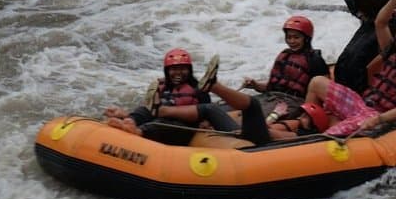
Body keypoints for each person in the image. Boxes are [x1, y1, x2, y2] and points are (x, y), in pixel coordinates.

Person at [303, 0, 396, 137]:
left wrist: (378, 119)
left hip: (375, 114)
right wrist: (393, 1)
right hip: (360, 103)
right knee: (317, 82)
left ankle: (313, 142)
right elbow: (380, 23)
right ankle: (305, 121)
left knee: (331, 135)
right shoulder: (391, 52)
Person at [104, 48, 272, 145]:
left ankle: (139, 131)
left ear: (189, 70)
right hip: (162, 119)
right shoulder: (161, 87)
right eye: (174, 69)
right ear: (167, 71)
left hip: (185, 127)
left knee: (166, 123)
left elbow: (207, 112)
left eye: (183, 69)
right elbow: (147, 110)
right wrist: (129, 114)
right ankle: (129, 122)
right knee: (146, 111)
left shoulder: (197, 89)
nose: (178, 72)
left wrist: (206, 123)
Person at [241, 15, 329, 104]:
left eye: (296, 37)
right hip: (271, 97)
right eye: (289, 37)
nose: (292, 41)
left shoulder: (315, 59)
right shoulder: (284, 55)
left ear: (306, 39)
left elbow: (323, 91)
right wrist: (255, 85)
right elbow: (270, 87)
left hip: (294, 102)